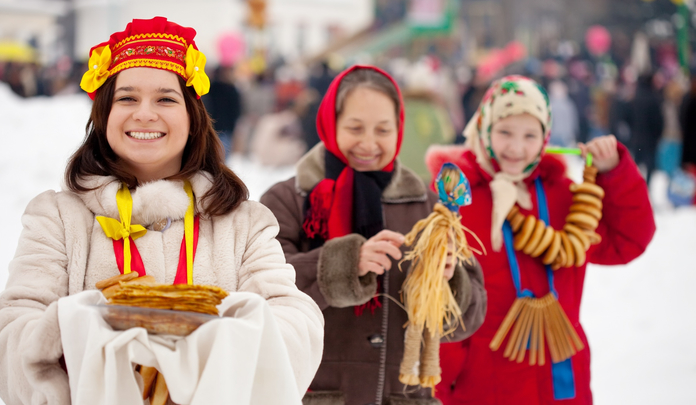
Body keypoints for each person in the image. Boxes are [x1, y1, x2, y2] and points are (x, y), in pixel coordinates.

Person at [0, 17, 323, 404]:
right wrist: (79, 345)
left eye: (165, 98)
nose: (144, 113)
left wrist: (218, 356)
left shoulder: (245, 223)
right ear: (104, 114)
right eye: (127, 98)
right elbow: (6, 328)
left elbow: (296, 321)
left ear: (192, 117)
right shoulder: (57, 217)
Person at [260, 65, 487, 405]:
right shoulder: (289, 199)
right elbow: (261, 294)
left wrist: (448, 281)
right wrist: (345, 263)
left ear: (399, 130)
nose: (368, 143)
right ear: (329, 124)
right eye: (355, 128)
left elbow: (468, 319)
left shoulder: (427, 206)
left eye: (383, 129)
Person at [425, 75, 656, 405]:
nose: (516, 148)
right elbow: (440, 303)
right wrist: (439, 386)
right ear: (484, 130)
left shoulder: (563, 197)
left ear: (545, 138)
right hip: (483, 383)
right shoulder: (457, 202)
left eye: (529, 135)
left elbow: (627, 241)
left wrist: (615, 172)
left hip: (558, 375)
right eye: (504, 132)